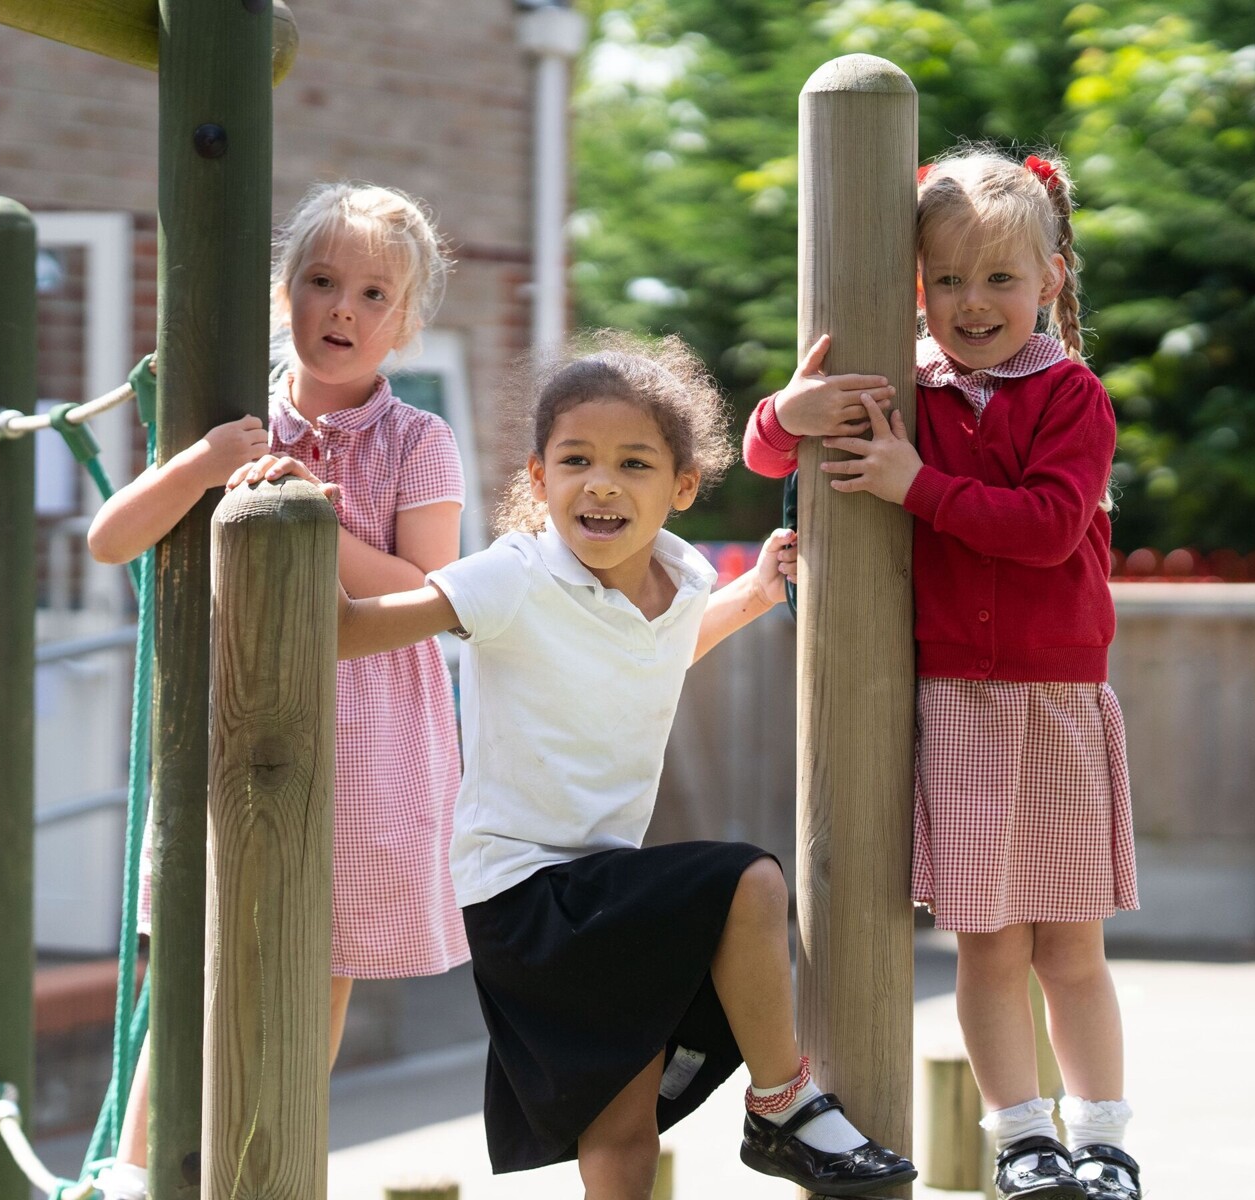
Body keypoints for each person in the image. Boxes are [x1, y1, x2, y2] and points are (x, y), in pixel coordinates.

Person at [235, 332, 918, 1199]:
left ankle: (768, 1111)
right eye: (577, 460)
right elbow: (349, 633)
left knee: (623, 1140)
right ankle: (781, 1105)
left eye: (634, 463)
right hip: (523, 897)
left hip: (601, 884)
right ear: (538, 477)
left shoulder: (684, 580)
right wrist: (306, 511)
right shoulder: (512, 576)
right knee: (748, 883)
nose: (602, 482)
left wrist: (754, 594)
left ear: (680, 487)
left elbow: (654, 654)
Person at [742, 147, 1141, 1200]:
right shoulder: (903, 382)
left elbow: (1050, 528)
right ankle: (1022, 1140)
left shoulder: (1068, 397)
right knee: (988, 948)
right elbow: (767, 459)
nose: (972, 303)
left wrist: (913, 485)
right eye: (947, 279)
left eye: (999, 278)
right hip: (952, 699)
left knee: (1068, 946)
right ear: (916, 284)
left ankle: (1101, 1140)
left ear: (1050, 277)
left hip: (1051, 697)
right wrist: (788, 411)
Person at [85, 181, 469, 1200]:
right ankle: (134, 1171)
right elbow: (110, 538)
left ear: (408, 319)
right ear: (283, 292)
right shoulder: (232, 420)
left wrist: (309, 519)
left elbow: (440, 591)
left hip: (365, 734)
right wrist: (206, 466)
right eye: (321, 281)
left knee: (316, 956)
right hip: (229, 722)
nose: (342, 308)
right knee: (193, 957)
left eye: (373, 293)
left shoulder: (416, 442)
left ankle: (270, 1160)